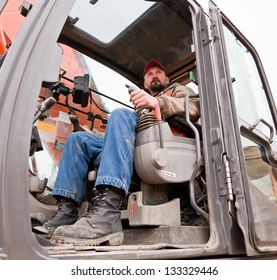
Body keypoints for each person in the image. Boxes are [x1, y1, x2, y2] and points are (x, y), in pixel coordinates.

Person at [46, 59, 200, 246]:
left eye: (158, 72)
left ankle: (108, 212)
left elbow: (194, 107)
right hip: (139, 144)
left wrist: (157, 102)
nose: (154, 76)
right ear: (144, 84)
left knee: (119, 114)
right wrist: (101, 135)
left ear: (167, 79)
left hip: (165, 145)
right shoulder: (139, 107)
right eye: (149, 74)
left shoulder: (175, 90)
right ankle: (66, 212)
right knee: (77, 139)